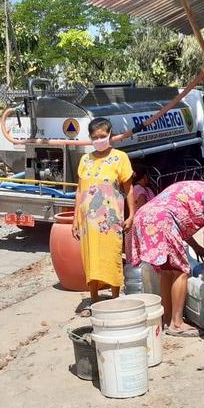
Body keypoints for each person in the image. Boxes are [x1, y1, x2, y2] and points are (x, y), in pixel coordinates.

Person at [128, 180, 204, 336]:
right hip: (162, 220)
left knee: (168, 270)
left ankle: (166, 319)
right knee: (181, 271)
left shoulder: (192, 186)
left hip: (145, 216)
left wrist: (195, 247)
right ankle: (177, 323)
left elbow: (178, 223)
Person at [72, 118, 135, 303]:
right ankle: (94, 300)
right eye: (94, 137)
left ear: (110, 135)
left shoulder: (120, 157)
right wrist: (76, 218)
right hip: (87, 222)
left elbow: (128, 188)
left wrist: (132, 214)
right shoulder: (85, 160)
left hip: (110, 220)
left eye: (102, 136)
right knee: (91, 259)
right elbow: (79, 190)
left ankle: (115, 299)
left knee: (111, 256)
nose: (98, 139)